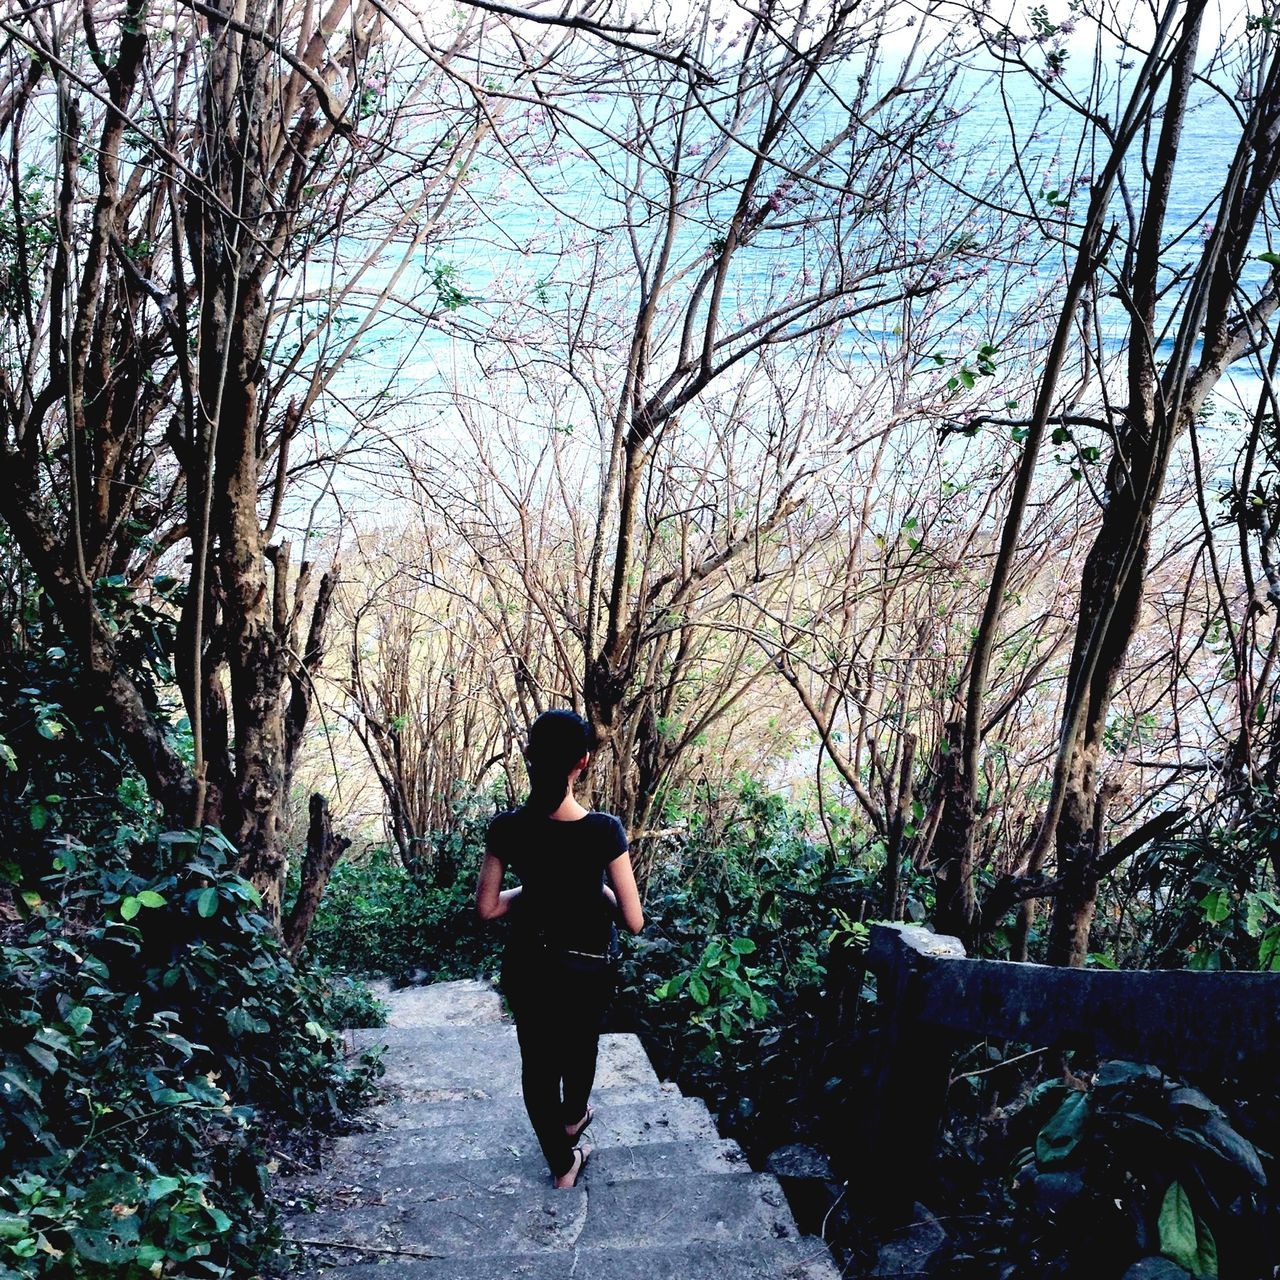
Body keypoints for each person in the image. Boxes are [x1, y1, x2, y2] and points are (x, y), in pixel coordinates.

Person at [475, 710, 645, 1189]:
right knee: (580, 1048)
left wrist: (533, 891)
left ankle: (561, 1161)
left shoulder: (507, 827)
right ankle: (573, 1124)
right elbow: (633, 920)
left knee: (538, 1063)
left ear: (530, 757)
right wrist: (599, 894)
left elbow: (487, 909)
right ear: (583, 762)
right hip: (587, 967)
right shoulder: (604, 831)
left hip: (530, 964)